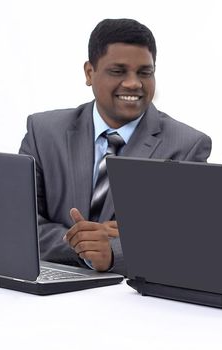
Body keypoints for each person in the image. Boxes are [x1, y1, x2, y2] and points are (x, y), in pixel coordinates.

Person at [19, 18, 211, 275]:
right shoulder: (44, 132)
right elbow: (21, 225)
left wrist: (113, 253)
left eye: (145, 72)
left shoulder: (186, 146)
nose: (133, 83)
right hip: (52, 290)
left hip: (137, 301)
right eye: (118, 71)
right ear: (89, 73)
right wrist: (85, 246)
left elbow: (191, 243)